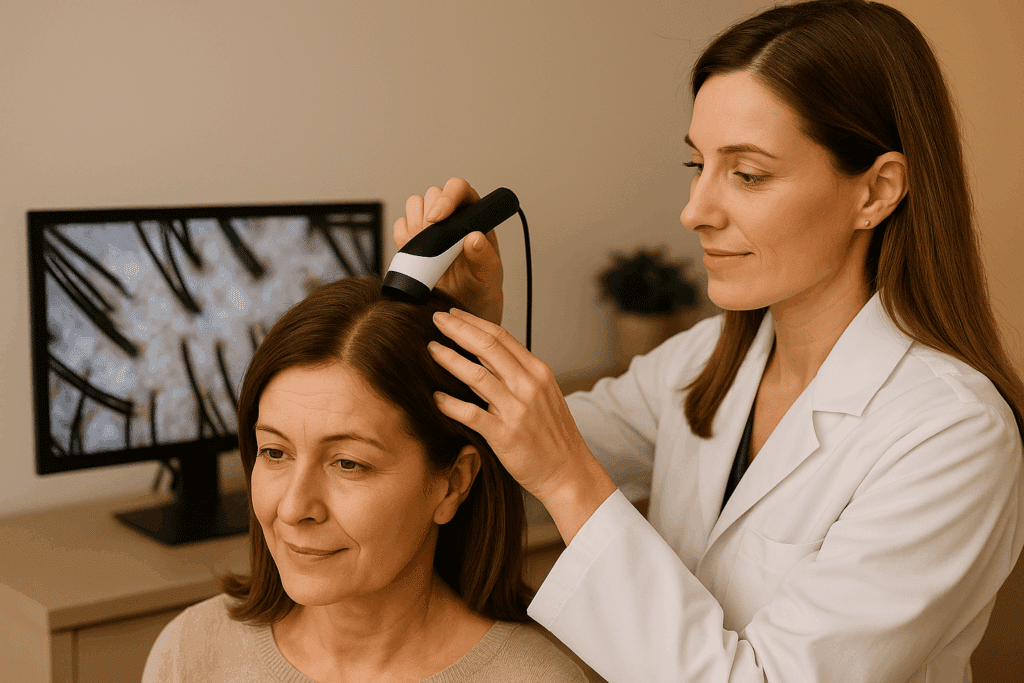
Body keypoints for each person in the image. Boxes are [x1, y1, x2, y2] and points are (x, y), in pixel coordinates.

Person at [393, 1, 1024, 681]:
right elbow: (508, 461)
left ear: (877, 191)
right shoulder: (707, 359)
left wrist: (568, 480)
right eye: (698, 165)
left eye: (747, 174)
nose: (695, 210)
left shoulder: (953, 433)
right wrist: (475, 326)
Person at [142, 277, 588, 682]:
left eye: (348, 464)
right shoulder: (191, 652)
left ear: (452, 483)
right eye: (274, 453)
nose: (295, 508)